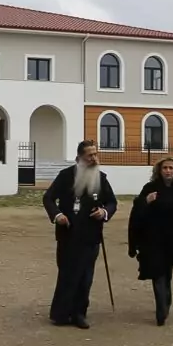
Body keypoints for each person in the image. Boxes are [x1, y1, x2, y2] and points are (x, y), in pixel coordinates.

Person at [42, 140, 118, 329]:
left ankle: (79, 314)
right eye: (90, 155)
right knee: (67, 275)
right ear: (79, 158)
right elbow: (48, 198)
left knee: (85, 277)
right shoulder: (65, 176)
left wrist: (104, 212)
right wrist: (57, 215)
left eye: (95, 154)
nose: (94, 158)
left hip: (91, 236)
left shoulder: (101, 178)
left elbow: (112, 202)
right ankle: (60, 313)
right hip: (68, 235)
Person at [127, 155, 173, 326]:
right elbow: (137, 212)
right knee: (157, 272)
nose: (168, 171)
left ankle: (166, 300)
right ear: (159, 171)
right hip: (152, 239)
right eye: (165, 168)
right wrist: (146, 201)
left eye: (171, 168)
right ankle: (161, 309)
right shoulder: (150, 188)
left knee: (167, 273)